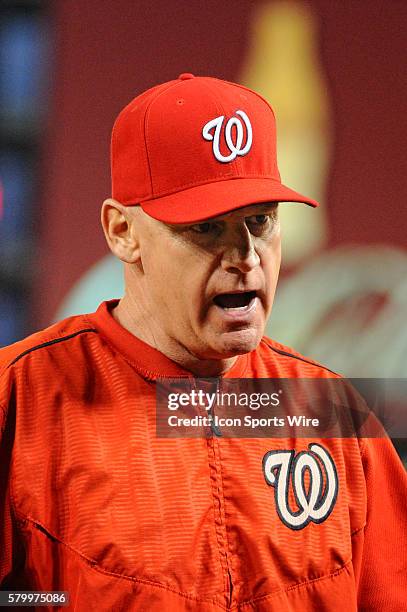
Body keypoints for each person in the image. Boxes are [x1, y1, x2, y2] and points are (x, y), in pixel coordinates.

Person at [0, 74, 406, 610]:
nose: (245, 256)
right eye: (207, 228)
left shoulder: (330, 414)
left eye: (260, 221)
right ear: (122, 232)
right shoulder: (21, 398)